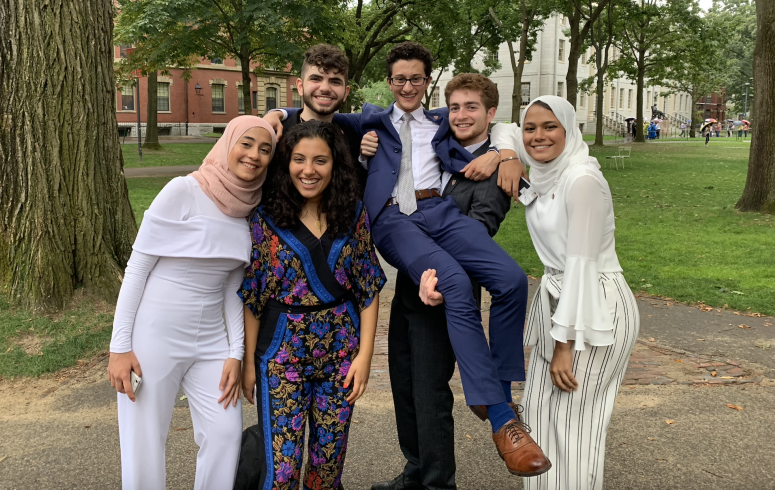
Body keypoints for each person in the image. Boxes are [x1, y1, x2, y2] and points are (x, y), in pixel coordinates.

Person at [267, 42, 549, 477]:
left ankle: (499, 389)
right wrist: (272, 116)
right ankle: (500, 418)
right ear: (389, 81)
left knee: (512, 279)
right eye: (399, 78)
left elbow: (499, 123)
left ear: (427, 81)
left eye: (416, 78)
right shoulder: (368, 118)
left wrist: (505, 152)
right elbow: (312, 111)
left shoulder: (441, 120)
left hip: (440, 210)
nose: (407, 85)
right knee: (453, 282)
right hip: (392, 216)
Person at [465, 96, 640, 490]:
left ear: (569, 129)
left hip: (591, 308)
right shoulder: (544, 176)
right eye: (531, 128)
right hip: (558, 302)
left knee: (574, 429)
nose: (538, 136)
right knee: (541, 420)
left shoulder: (582, 180)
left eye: (550, 127)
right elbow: (502, 128)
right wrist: (507, 154)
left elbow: (582, 265)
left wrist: (565, 343)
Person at [108, 116, 276, 490]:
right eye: (246, 144)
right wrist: (119, 347)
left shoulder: (251, 207)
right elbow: (137, 269)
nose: (254, 155)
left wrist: (236, 352)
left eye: (265, 150)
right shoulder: (184, 190)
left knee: (225, 434)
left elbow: (234, 284)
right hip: (156, 333)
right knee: (144, 441)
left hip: (212, 339)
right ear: (227, 144)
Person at [373, 74, 512, 490]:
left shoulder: (496, 169)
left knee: (430, 390)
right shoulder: (436, 137)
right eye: (456, 107)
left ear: (490, 114)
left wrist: (504, 152)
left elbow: (480, 230)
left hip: (446, 296)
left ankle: (437, 483)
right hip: (412, 285)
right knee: (403, 382)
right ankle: (415, 470)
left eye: (473, 108)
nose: (462, 115)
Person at [239, 121, 385, 489]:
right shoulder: (265, 219)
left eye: (320, 160)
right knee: (283, 469)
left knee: (328, 464)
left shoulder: (353, 214)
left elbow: (368, 286)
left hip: (341, 354)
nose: (308, 170)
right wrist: (248, 362)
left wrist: (365, 355)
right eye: (299, 159)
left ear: (335, 164)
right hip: (281, 354)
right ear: (286, 163)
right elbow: (254, 295)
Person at [281, 44, 367, 193]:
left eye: (335, 81)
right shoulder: (276, 134)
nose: (325, 88)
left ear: (346, 92)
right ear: (300, 87)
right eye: (316, 79)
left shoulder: (355, 138)